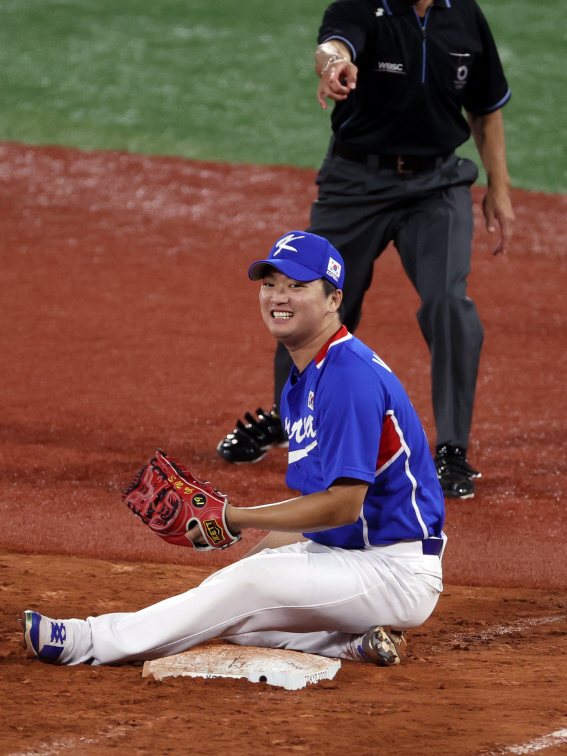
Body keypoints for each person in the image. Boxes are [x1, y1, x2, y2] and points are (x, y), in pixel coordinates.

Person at [23, 231, 446, 669]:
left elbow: (342, 507)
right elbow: (312, 508)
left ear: (333, 298)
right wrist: (233, 570)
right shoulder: (304, 379)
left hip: (394, 569)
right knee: (232, 601)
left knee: (249, 586)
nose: (278, 296)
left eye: (297, 286)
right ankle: (348, 644)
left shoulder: (347, 378)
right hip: (344, 556)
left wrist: (236, 518)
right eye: (270, 284)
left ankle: (87, 640)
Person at [217, 0, 515, 500]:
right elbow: (333, 44)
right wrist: (335, 65)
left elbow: (485, 109)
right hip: (356, 183)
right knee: (312, 299)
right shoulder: (360, 7)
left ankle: (452, 449)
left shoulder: (466, 19)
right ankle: (292, 419)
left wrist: (499, 188)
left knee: (450, 307)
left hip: (436, 186)